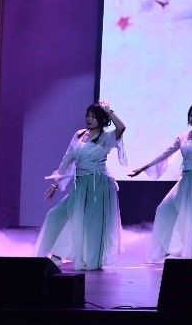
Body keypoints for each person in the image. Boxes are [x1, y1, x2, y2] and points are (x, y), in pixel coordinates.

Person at [128, 95, 192, 260]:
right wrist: (143, 167)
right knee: (165, 209)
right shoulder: (182, 137)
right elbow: (165, 153)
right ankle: (171, 247)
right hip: (187, 179)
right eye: (190, 115)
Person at [35, 102, 127, 270]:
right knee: (55, 215)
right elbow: (67, 159)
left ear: (102, 119)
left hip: (99, 184)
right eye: (88, 116)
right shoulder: (79, 134)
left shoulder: (106, 138)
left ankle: (64, 256)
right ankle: (55, 254)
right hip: (81, 184)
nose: (89, 119)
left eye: (94, 116)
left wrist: (109, 111)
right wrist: (56, 184)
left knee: (88, 223)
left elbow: (121, 127)